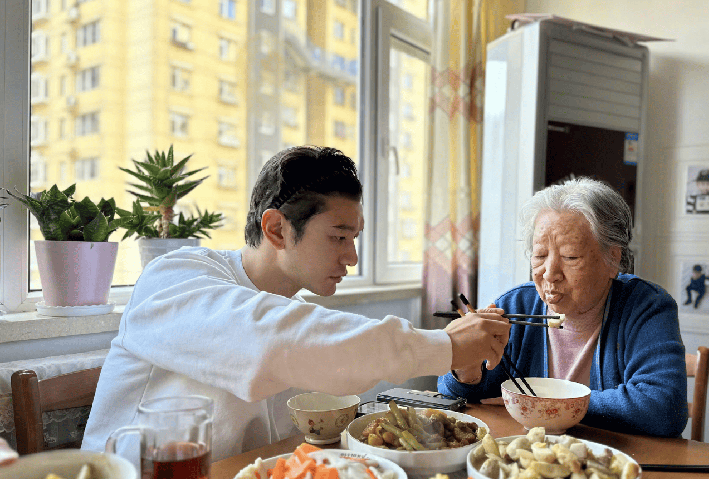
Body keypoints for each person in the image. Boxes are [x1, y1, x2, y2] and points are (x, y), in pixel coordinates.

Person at [82, 146, 510, 462]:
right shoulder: (174, 278)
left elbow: (318, 367)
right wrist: (444, 346)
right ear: (276, 228)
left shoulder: (296, 318)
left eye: (354, 239)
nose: (352, 257)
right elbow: (270, 340)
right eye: (339, 237)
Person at [438, 178, 688, 437]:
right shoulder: (516, 305)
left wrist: (547, 404)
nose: (549, 273)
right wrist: (466, 369)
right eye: (540, 255)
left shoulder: (647, 307)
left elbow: (664, 408)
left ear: (612, 259)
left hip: (617, 465)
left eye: (570, 257)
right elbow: (462, 396)